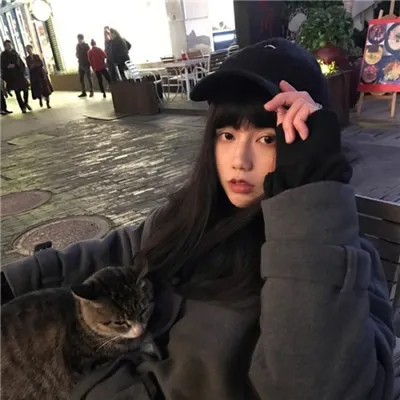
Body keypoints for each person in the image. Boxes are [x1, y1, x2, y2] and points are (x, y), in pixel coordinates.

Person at [1, 38, 398, 399]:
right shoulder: (194, 215)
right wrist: (13, 281)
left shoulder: (335, 259)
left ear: (309, 145)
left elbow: (318, 385)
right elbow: (118, 250)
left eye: (267, 138)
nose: (239, 161)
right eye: (227, 135)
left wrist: (309, 195)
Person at [1, 40, 31, 113]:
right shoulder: (3, 55)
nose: (9, 46)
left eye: (10, 45)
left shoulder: (15, 53)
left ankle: (25, 103)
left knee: (26, 89)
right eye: (7, 45)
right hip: (12, 77)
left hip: (19, 75)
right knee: (17, 92)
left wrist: (19, 68)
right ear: (5, 46)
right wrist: (8, 67)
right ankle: (22, 107)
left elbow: (20, 62)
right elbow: (2, 66)